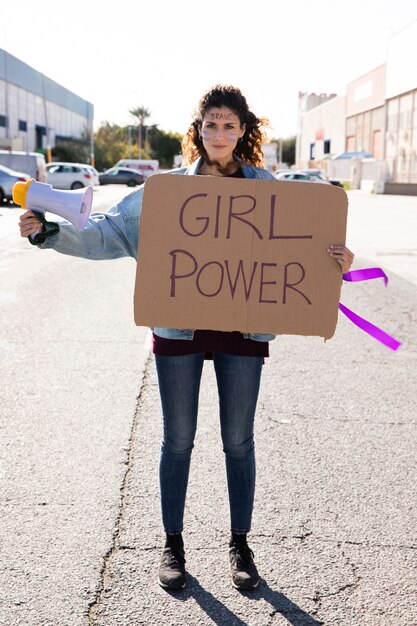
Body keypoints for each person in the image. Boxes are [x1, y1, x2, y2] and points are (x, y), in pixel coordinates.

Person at [19, 85, 354, 592]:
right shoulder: (168, 191)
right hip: (178, 330)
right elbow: (108, 232)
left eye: (229, 125)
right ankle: (172, 545)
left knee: (238, 443)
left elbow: (307, 250)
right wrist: (49, 233)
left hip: (244, 332)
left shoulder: (271, 190)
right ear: (198, 129)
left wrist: (339, 265)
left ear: (243, 131)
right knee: (177, 441)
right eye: (211, 124)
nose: (219, 134)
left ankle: (240, 544)